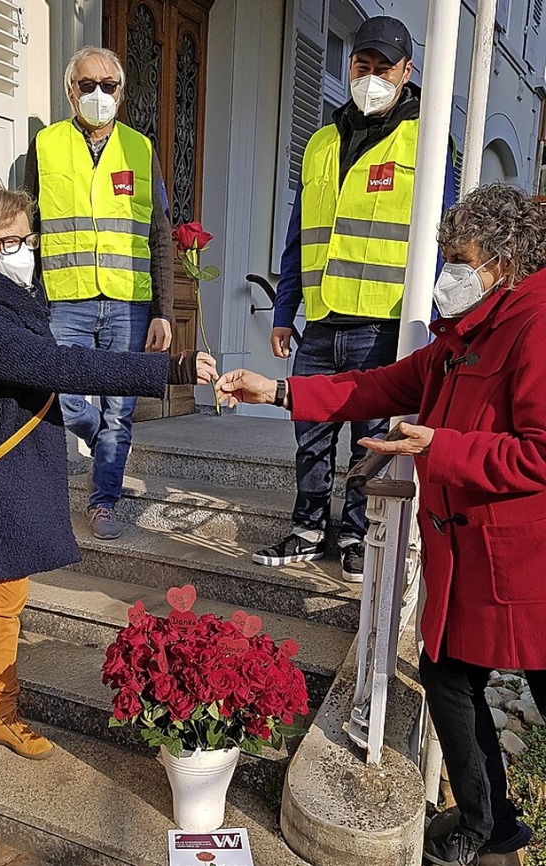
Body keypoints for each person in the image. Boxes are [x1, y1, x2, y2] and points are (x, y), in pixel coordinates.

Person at [217, 183, 546, 865]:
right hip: (467, 556)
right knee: (449, 675)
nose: (446, 273)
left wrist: (440, 447)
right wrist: (278, 390)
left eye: (461, 258)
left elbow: (540, 453)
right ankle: (491, 828)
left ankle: (491, 828)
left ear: (505, 264)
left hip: (522, 556)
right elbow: (375, 387)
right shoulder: (464, 334)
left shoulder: (535, 327)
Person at [0, 182, 215, 780]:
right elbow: (59, 365)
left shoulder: (8, 301)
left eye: (29, 237)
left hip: (10, 486)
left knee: (5, 609)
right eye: (14, 241)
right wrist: (169, 367)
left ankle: (0, 711)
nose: (27, 250)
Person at [257, 16, 455, 580]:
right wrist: (283, 311)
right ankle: (307, 525)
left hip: (382, 323)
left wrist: (436, 321)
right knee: (309, 431)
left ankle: (354, 531)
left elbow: (443, 234)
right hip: (320, 320)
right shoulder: (321, 141)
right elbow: (300, 235)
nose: (370, 77)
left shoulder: (426, 135)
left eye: (383, 68)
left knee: (365, 439)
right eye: (362, 66)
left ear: (406, 72)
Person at [23, 46, 174, 540]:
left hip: (129, 302)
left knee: (120, 409)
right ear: (71, 90)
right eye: (87, 85)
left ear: (121, 92)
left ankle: (104, 501)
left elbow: (160, 234)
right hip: (66, 300)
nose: (98, 93)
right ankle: (104, 441)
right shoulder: (45, 147)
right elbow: (28, 229)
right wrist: (28, 300)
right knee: (62, 399)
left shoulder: (140, 148)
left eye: (108, 85)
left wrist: (163, 312)